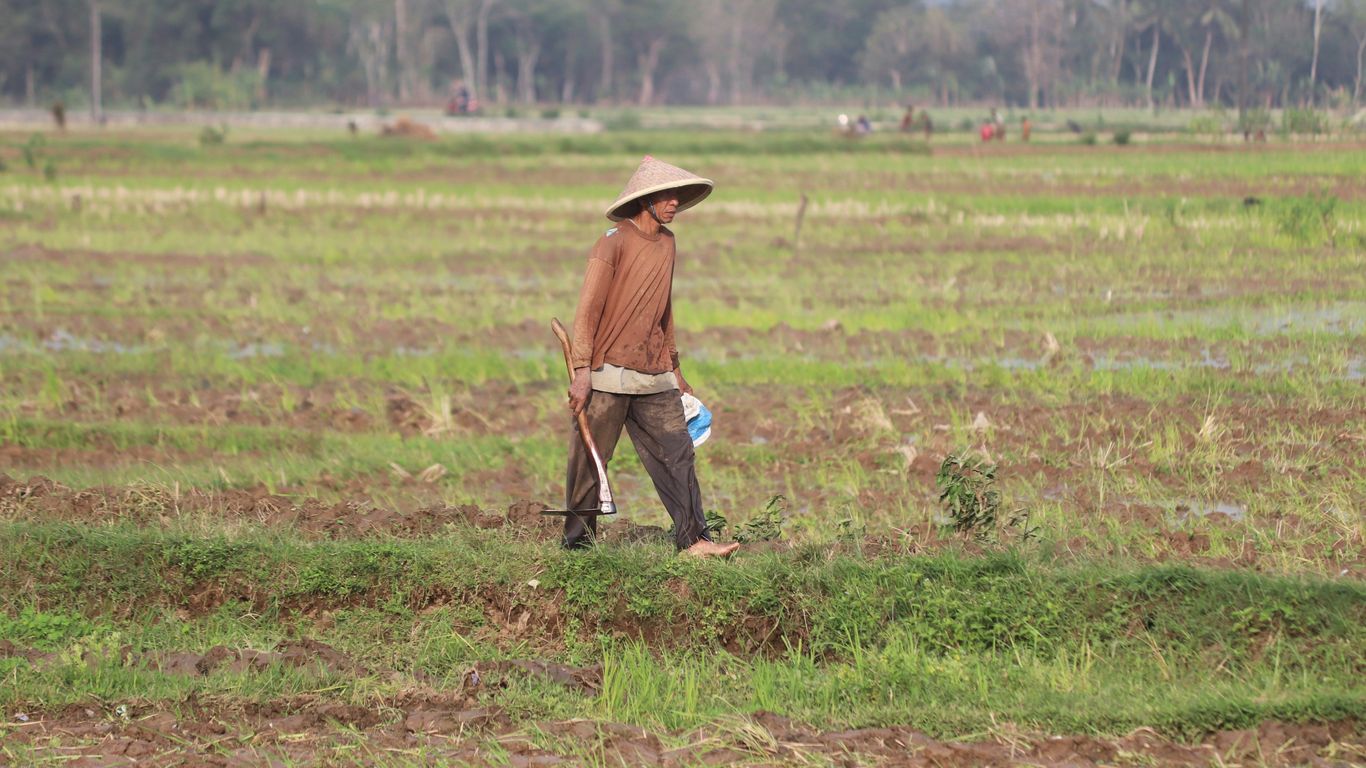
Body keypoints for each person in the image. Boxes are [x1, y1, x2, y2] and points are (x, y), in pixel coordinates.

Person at [564, 155, 739, 559]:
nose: (675, 203)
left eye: (678, 196)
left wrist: (675, 368)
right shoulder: (612, 242)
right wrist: (580, 372)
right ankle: (577, 547)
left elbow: (665, 309)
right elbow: (587, 311)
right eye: (668, 196)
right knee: (591, 462)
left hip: (654, 373)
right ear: (646, 200)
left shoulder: (668, 244)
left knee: (678, 453)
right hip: (607, 373)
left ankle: (695, 541)